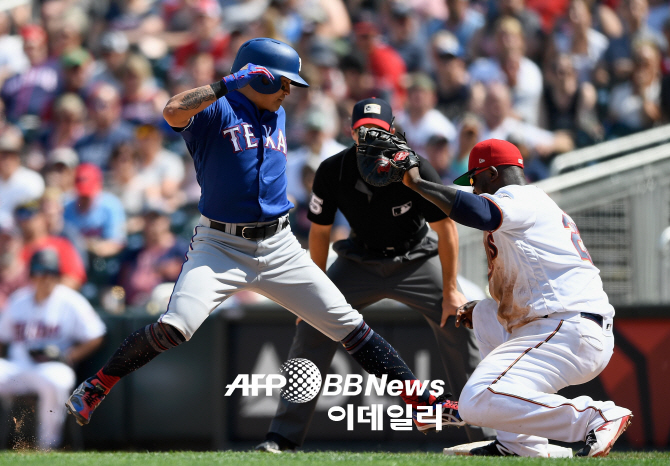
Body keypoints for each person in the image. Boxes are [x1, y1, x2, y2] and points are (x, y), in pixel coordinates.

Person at [65, 38, 462, 433]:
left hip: (279, 244)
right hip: (220, 245)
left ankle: (423, 402)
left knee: (349, 325)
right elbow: (171, 111)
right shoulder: (216, 108)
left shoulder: (277, 112)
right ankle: (98, 385)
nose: (289, 90)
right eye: (283, 82)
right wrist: (228, 82)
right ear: (258, 76)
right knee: (177, 325)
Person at [255, 97, 493, 453]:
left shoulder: (415, 168)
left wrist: (449, 290)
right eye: (363, 132)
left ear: (393, 131)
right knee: (312, 326)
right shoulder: (333, 170)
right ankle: (282, 438)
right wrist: (311, 296)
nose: (370, 139)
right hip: (359, 260)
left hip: (415, 258)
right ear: (352, 133)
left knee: (456, 324)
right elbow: (319, 232)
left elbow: (446, 229)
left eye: (378, 131)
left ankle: (487, 437)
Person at [401, 138, 633, 457]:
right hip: (565, 327)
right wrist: (485, 310)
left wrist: (417, 184)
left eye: (475, 180)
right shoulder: (530, 206)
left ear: (493, 173)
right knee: (484, 314)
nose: (474, 189)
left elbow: (481, 212)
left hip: (566, 328)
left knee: (476, 398)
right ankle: (517, 443)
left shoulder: (520, 197)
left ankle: (593, 417)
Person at [0, 249, 105, 450]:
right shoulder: (18, 300)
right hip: (18, 368)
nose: (45, 278)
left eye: (50, 273)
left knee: (57, 380)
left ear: (57, 276)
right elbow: (2, 337)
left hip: (50, 368)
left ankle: (47, 446)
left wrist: (68, 356)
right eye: (40, 272)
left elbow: (96, 335)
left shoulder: (70, 300)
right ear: (31, 275)